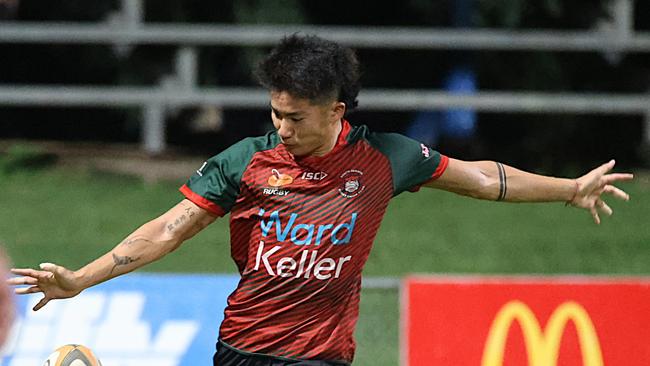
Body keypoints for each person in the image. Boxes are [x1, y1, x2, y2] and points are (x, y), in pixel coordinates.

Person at [8, 35, 633, 366]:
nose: (282, 127)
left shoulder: (385, 157)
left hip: (323, 356)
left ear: (336, 112)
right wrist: (82, 279)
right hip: (244, 349)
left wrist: (569, 189)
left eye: (296, 117)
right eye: (275, 113)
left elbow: (483, 178)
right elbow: (168, 230)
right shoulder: (244, 161)